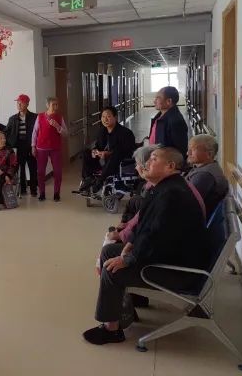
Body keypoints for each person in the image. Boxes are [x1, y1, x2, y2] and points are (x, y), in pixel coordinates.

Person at [83, 147, 210, 345]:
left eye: (154, 159)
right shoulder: (165, 187)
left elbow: (156, 237)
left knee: (111, 270)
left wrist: (128, 258)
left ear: (170, 166)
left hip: (178, 271)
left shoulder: (172, 194)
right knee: (109, 251)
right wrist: (129, 244)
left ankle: (111, 329)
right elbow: (145, 225)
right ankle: (133, 299)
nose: (147, 163)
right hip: (167, 257)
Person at [80, 106, 136, 193]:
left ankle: (100, 182)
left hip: (117, 163)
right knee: (86, 152)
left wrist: (108, 153)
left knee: (116, 154)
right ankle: (88, 179)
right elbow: (98, 146)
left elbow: (127, 151)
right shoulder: (102, 131)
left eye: (108, 116)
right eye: (103, 116)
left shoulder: (125, 133)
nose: (105, 119)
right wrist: (95, 151)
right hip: (102, 161)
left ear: (115, 117)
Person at [32, 97, 68, 202]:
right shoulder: (40, 116)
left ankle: (56, 193)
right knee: (40, 172)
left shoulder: (59, 117)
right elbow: (35, 132)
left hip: (55, 148)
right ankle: (42, 193)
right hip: (41, 147)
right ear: (48, 105)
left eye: (57, 104)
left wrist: (58, 127)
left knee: (58, 171)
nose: (56, 107)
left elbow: (66, 133)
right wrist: (33, 146)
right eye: (53, 105)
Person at [185, 134, 229, 216]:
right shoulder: (208, 167)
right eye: (188, 149)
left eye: (193, 150)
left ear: (209, 154)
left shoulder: (205, 176)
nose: (188, 153)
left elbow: (186, 203)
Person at [5, 94, 38, 196]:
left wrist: (35, 145)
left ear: (27, 104)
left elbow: (38, 132)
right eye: (18, 103)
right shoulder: (13, 118)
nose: (19, 105)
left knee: (33, 168)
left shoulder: (35, 117)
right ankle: (22, 189)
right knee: (21, 168)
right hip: (19, 146)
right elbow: (7, 132)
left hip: (31, 146)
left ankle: (33, 190)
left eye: (21, 103)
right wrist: (10, 145)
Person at [149, 86, 189, 159]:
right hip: (156, 157)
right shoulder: (160, 116)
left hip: (164, 161)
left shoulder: (175, 121)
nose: (154, 101)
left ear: (169, 101)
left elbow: (180, 149)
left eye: (158, 98)